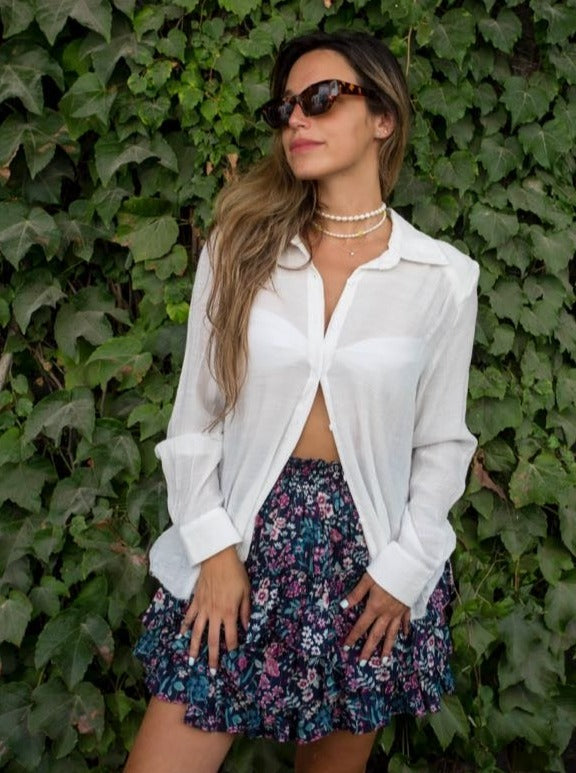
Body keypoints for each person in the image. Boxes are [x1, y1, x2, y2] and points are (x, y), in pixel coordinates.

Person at [124, 29, 479, 773]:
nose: (296, 119)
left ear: (383, 117)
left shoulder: (443, 278)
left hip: (367, 568)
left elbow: (441, 445)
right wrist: (214, 553)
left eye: (319, 99)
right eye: (284, 107)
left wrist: (406, 569)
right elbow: (194, 421)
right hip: (241, 541)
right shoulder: (241, 248)